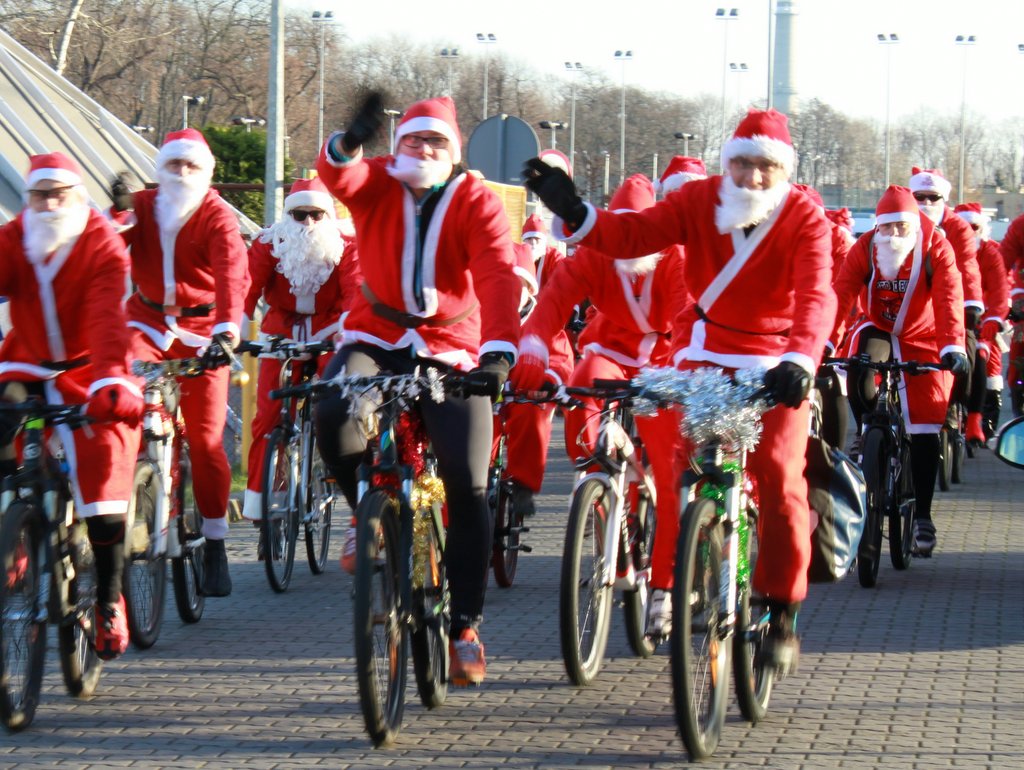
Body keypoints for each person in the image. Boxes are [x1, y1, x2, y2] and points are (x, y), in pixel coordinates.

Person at [525, 108, 836, 674]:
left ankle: (782, 607)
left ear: (782, 169)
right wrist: (575, 211)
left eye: (765, 166)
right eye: (741, 163)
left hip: (776, 359)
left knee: (777, 473)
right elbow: (635, 234)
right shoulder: (700, 201)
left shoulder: (804, 218)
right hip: (707, 351)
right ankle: (684, 568)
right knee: (678, 465)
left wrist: (799, 359)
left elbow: (818, 294)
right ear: (727, 164)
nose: (752, 178)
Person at [315, 94, 522, 686]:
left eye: (435, 143)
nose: (422, 151)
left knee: (468, 482)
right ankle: (366, 516)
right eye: (412, 140)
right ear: (397, 145)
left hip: (452, 344)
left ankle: (464, 625)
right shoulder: (378, 181)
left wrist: (499, 351)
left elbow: (496, 271)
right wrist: (346, 141)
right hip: (374, 332)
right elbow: (340, 176)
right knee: (333, 408)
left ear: (453, 153)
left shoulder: (475, 200)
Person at [511, 173, 690, 638]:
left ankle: (665, 576)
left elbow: (686, 316)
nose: (629, 243)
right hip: (610, 352)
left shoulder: (675, 260)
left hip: (665, 358)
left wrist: (678, 377)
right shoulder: (595, 257)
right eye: (621, 228)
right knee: (582, 387)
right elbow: (551, 304)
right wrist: (532, 345)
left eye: (638, 230)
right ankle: (599, 484)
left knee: (668, 462)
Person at [0, 153, 143, 660]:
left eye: (60, 192)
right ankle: (15, 533)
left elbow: (109, 318)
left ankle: (107, 598)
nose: (51, 203)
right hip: (28, 365)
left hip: (89, 369)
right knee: (3, 420)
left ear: (78, 195)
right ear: (30, 199)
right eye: (41, 194)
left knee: (103, 483)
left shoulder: (102, 242)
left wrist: (111, 380)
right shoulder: (17, 237)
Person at [110, 128, 250, 597]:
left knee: (208, 441)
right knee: (119, 402)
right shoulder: (145, 206)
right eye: (173, 165)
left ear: (207, 173)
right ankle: (125, 496)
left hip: (203, 331)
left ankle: (214, 541)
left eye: (192, 167)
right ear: (160, 169)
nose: (182, 174)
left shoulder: (216, 216)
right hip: (146, 322)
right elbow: (107, 243)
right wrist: (115, 210)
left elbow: (233, 274)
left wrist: (228, 331)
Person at [829, 186, 967, 557]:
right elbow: (841, 292)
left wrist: (953, 346)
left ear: (914, 227)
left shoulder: (936, 246)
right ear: (876, 227)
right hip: (879, 326)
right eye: (886, 228)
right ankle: (868, 431)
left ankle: (922, 514)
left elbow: (949, 296)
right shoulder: (866, 248)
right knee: (857, 367)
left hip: (925, 334)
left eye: (901, 228)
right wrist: (825, 343)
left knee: (924, 425)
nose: (893, 236)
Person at [242, 177, 357, 540]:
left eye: (316, 214)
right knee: (267, 418)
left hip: (330, 330)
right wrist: (237, 333)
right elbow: (245, 290)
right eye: (299, 214)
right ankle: (262, 507)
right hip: (280, 332)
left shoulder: (348, 246)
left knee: (335, 409)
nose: (307, 223)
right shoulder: (267, 244)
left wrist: (346, 333)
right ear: (286, 216)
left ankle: (334, 475)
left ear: (330, 215)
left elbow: (356, 295)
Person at [498, 221, 573, 516]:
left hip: (525, 395)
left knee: (531, 416)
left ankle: (523, 485)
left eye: (517, 285)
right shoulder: (486, 315)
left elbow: (561, 359)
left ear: (530, 288)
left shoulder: (543, 320)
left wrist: (548, 380)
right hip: (490, 395)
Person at [908, 168, 983, 435]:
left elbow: (968, 268)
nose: (926, 203)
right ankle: (871, 425)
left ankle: (952, 403)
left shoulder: (958, 228)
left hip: (947, 304)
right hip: (906, 308)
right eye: (920, 196)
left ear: (944, 199)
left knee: (970, 350)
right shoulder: (898, 220)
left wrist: (973, 304)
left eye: (933, 197)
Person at [954, 203, 1008, 445]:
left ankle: (978, 419)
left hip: (981, 320)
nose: (968, 231)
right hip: (947, 318)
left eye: (973, 227)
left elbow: (999, 291)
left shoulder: (990, 254)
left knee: (984, 358)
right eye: (962, 226)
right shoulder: (943, 249)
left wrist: (995, 318)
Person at [999, 211, 1024, 416]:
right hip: (1023, 296)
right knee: (1020, 337)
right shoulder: (1020, 225)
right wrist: (1001, 302)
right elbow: (1001, 266)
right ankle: (1017, 388)